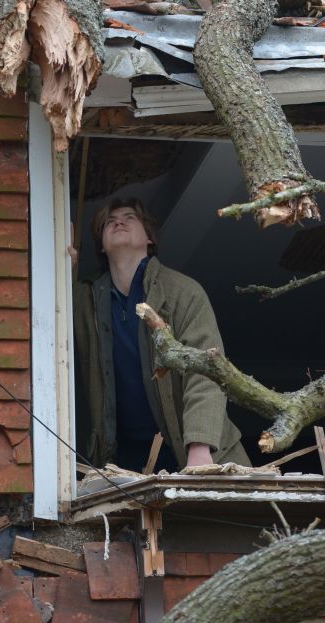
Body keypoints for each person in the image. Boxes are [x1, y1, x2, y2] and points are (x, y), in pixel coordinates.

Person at [73, 197, 249, 473]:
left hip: (190, 450)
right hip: (122, 460)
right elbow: (48, 321)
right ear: (101, 245)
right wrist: (61, 269)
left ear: (150, 238)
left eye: (130, 217)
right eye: (109, 221)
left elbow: (206, 370)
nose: (118, 221)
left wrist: (200, 448)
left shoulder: (182, 292)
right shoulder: (85, 299)